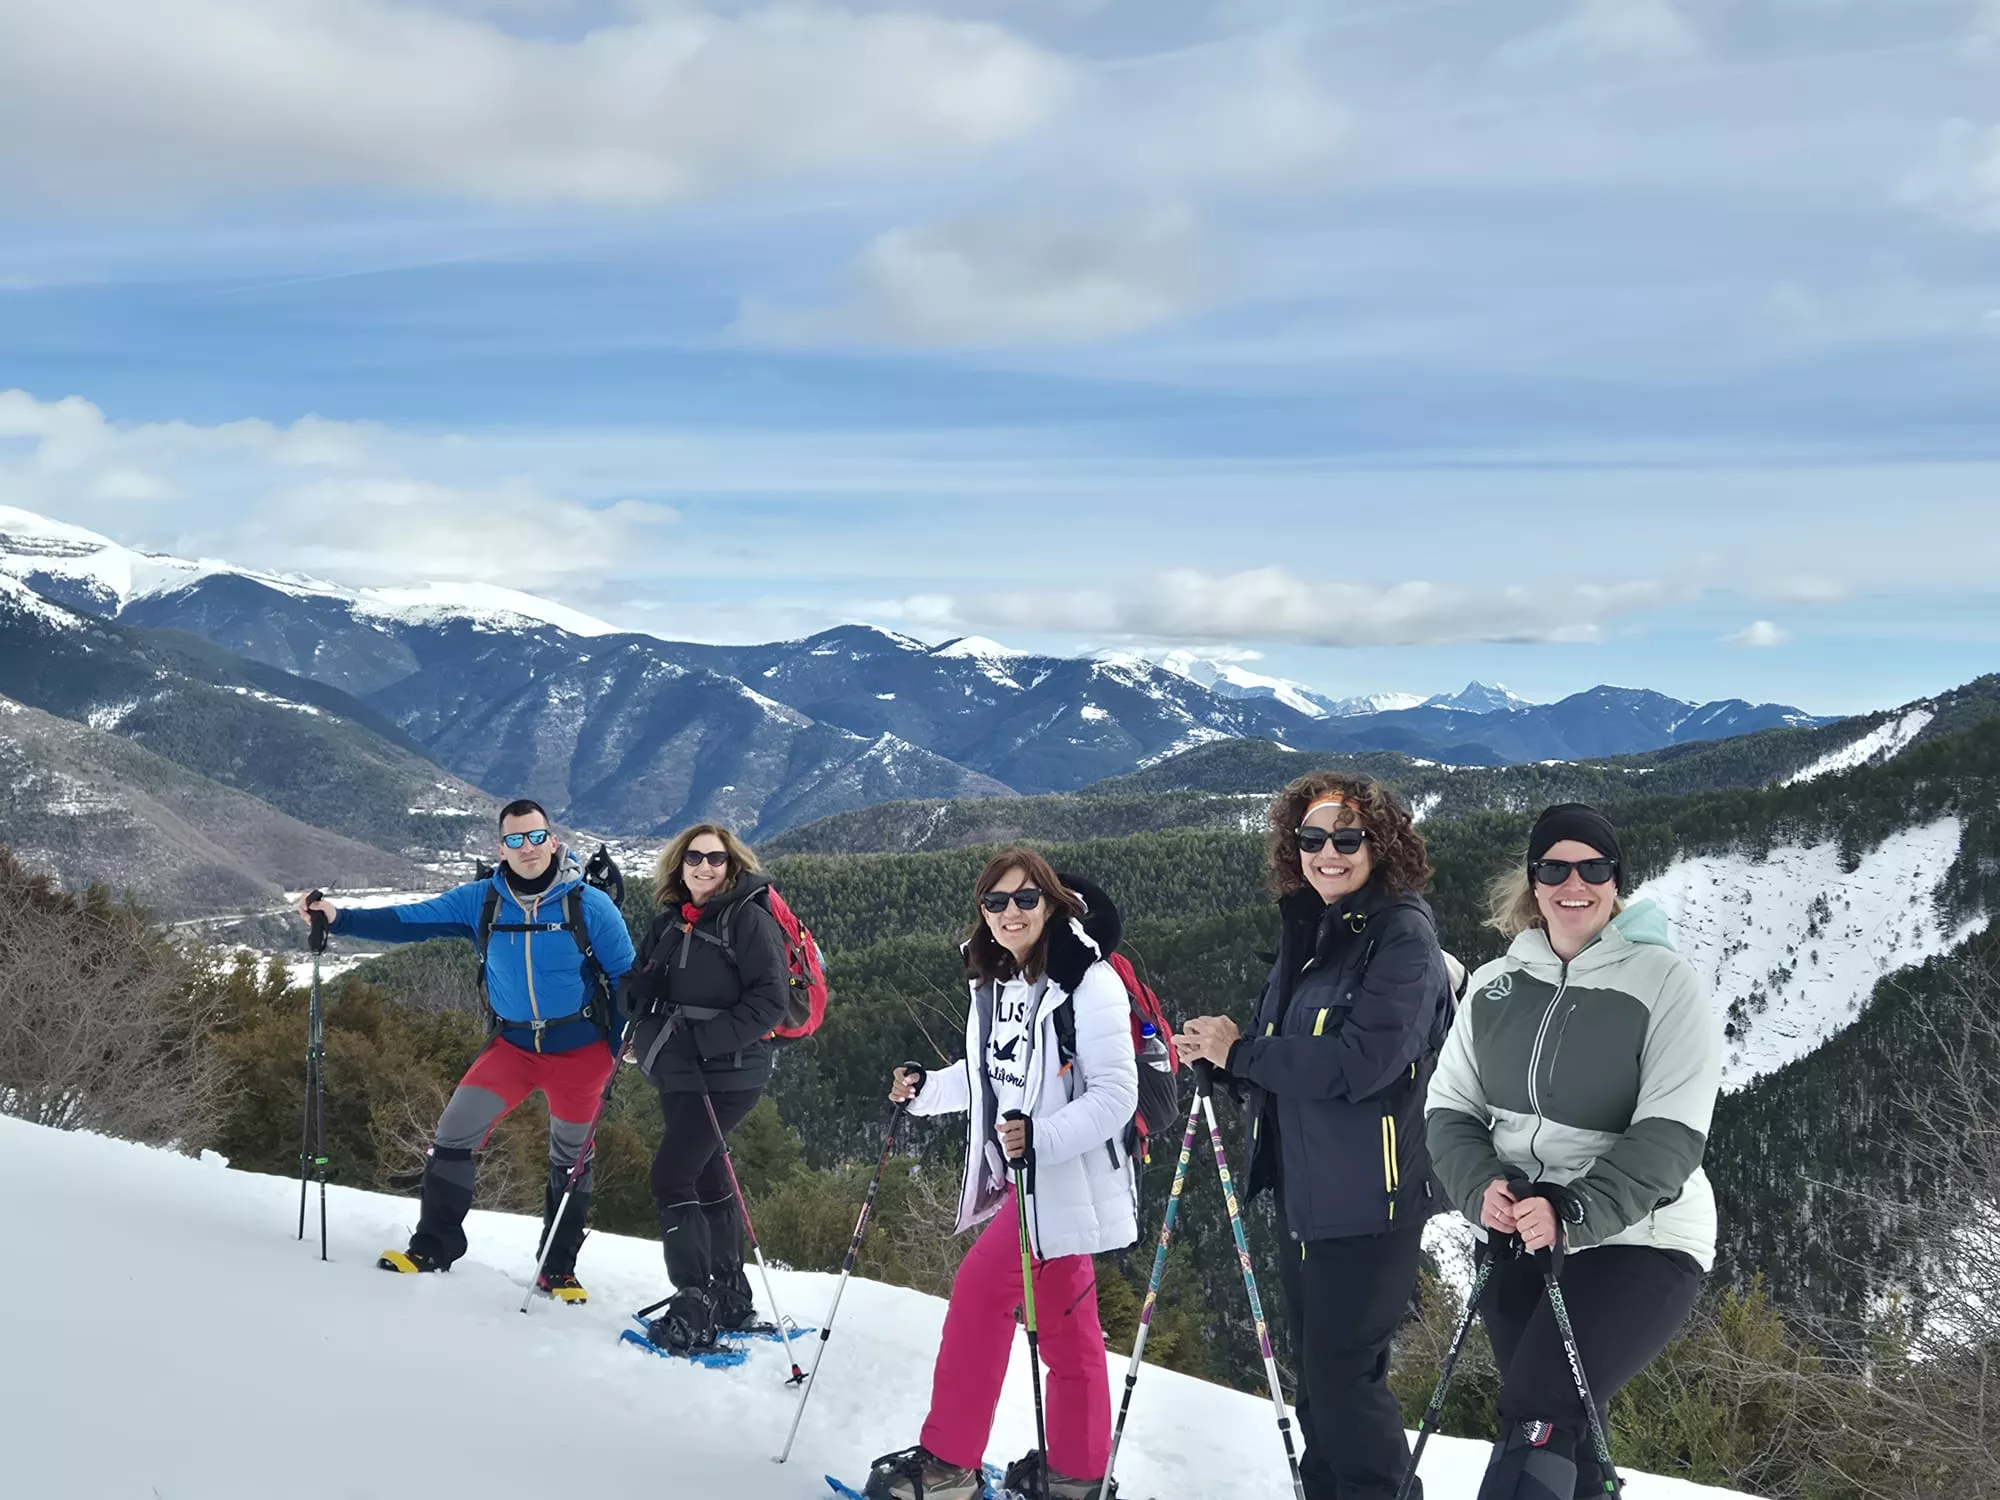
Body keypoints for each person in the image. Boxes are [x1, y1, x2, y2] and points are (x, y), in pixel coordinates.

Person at [1426, 803, 1723, 1500]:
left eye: (1594, 867)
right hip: (1518, 1232)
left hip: (1643, 1237)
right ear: (1533, 882)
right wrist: (1480, 1189)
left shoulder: (1663, 982)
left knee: (1537, 1409)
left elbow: (1672, 1134)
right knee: (1567, 1429)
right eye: (1554, 867)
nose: (1574, 883)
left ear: (1617, 882)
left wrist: (1575, 1207)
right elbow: (1449, 1109)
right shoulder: (1497, 986)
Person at [1179, 771, 1458, 1500]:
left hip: (1372, 1198)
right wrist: (1229, 1063)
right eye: (1311, 838)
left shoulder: (1402, 937)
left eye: (1346, 838)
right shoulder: (1313, 929)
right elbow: (1285, 1055)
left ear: (1382, 844)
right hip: (1308, 1193)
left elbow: (1362, 1064)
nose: (1326, 853)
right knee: (1319, 1383)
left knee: (1345, 1380)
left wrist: (1240, 1054)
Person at [861, 849, 1139, 1500]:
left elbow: (1116, 1093)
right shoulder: (997, 983)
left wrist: (1039, 1139)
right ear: (981, 913)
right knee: (1069, 1330)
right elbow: (988, 1076)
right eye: (995, 902)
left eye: (1024, 899)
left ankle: (949, 1465)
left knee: (978, 1296)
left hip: (1061, 1182)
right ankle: (1077, 1475)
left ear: (1053, 903)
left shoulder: (1088, 983)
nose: (1009, 913)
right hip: (1031, 1181)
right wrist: (926, 1089)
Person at [296, 798, 634, 1301]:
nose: (527, 848)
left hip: (580, 1050)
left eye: (536, 837)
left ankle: (557, 1269)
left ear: (553, 841)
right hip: (514, 1045)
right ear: (501, 848)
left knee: (572, 1158)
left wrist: (622, 1043)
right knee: (453, 1135)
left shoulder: (589, 906)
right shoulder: (482, 901)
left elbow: (628, 978)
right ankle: (433, 1247)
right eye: (515, 839)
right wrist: (339, 918)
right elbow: (409, 921)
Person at [618, 823, 792, 1355]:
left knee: (672, 1175)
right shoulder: (671, 922)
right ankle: (728, 1294)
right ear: (679, 863)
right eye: (694, 857)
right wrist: (634, 993)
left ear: (731, 865)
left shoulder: (748, 920)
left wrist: (703, 1041)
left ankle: (693, 1307)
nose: (704, 867)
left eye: (716, 859)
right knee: (710, 1172)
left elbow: (770, 1002)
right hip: (679, 1069)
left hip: (732, 1071)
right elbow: (640, 987)